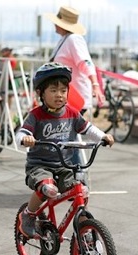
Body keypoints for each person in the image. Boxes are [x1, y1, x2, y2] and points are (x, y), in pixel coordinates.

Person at [15, 62, 114, 239]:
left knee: (81, 190)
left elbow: (87, 129)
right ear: (41, 93)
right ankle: (28, 215)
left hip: (64, 165)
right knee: (48, 189)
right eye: (53, 90)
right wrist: (25, 139)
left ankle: (84, 227)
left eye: (63, 90)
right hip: (39, 166)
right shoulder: (36, 115)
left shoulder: (72, 113)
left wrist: (102, 137)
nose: (59, 95)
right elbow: (21, 133)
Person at [44, 6, 105, 165]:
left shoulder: (73, 39)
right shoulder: (65, 40)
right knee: (65, 136)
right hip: (66, 96)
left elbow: (85, 62)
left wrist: (95, 84)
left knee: (67, 137)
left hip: (75, 97)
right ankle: (73, 176)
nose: (54, 24)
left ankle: (78, 177)